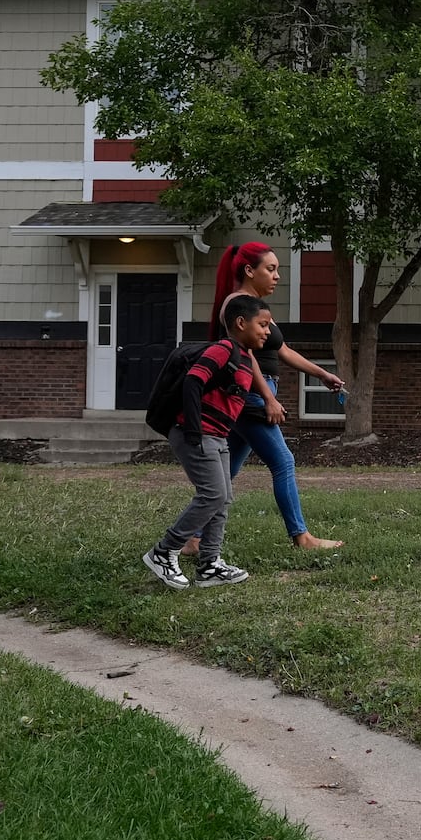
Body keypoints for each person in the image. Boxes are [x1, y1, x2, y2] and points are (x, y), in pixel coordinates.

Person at [200, 241, 347, 552]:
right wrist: (268, 397)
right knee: (283, 462)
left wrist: (322, 374)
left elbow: (282, 350)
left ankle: (192, 538)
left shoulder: (255, 307)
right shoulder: (237, 305)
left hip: (255, 392)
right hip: (251, 394)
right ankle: (302, 537)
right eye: (271, 269)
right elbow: (244, 355)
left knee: (227, 471)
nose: (277, 276)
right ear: (249, 270)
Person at [142, 294, 272, 590]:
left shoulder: (242, 360)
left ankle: (210, 565)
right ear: (241, 323)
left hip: (219, 436)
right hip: (198, 433)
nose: (267, 331)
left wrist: (266, 409)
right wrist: (194, 430)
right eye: (262, 324)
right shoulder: (225, 349)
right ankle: (164, 551)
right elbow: (193, 380)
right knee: (212, 494)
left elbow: (228, 401)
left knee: (222, 498)